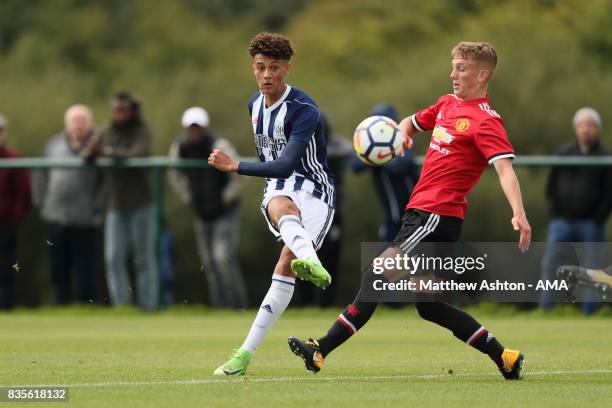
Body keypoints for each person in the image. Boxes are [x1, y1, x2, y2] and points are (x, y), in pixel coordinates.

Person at [288, 42, 532, 381]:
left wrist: (518, 212)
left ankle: (321, 349)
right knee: (429, 305)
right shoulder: (447, 105)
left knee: (375, 277)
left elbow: (505, 169)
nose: (453, 73)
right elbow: (412, 121)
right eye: (453, 66)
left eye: (461, 68)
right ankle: (504, 355)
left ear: (483, 74)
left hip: (433, 216)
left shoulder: (485, 121)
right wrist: (401, 133)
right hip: (431, 218)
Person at [208, 32, 335, 375]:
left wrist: (234, 166)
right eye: (260, 67)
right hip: (279, 188)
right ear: (253, 69)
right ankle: (244, 355)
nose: (267, 75)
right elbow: (278, 175)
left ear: (287, 69)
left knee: (283, 264)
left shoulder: (305, 110)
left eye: (274, 68)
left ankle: (306, 259)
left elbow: (286, 164)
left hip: (315, 191)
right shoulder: (254, 105)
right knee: (280, 206)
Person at [83, 92, 158, 311]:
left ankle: (147, 306)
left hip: (141, 202)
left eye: (123, 110)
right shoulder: (106, 129)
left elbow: (139, 153)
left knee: (144, 258)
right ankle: (121, 306)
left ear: (132, 111)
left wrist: (106, 152)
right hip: (115, 204)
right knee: (113, 257)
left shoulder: (141, 131)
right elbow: (89, 152)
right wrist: (92, 152)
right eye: (116, 110)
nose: (119, 114)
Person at [168, 106, 248, 309]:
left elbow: (238, 174)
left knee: (223, 258)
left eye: (197, 127)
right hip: (202, 211)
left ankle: (238, 306)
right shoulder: (181, 147)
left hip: (224, 211)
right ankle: (220, 307)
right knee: (209, 262)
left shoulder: (218, 144)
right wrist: (188, 196)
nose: (194, 131)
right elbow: (174, 174)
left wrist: (226, 197)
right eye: (190, 127)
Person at [540, 107, 611, 315]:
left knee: (593, 271)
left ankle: (590, 313)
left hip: (592, 223)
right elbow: (551, 186)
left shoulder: (606, 156)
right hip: (562, 221)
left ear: (597, 129)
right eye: (582, 125)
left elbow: (609, 192)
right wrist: (555, 213)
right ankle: (545, 311)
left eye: (590, 125)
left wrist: (599, 218)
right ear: (576, 128)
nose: (585, 129)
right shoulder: (563, 153)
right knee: (550, 263)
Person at [33, 105, 105, 304]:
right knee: (58, 270)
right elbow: (40, 176)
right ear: (67, 123)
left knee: (86, 271)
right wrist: (42, 204)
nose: (78, 125)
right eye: (74, 120)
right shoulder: (53, 145)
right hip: (56, 218)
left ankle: (86, 308)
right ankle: (60, 307)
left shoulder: (98, 147)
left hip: (86, 221)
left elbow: (105, 183)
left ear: (90, 123)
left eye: (82, 120)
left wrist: (97, 209)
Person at [295, 112, 352, 307]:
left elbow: (347, 149)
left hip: (334, 212)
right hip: (305, 211)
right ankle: (306, 303)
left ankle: (327, 303)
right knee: (304, 256)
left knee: (331, 258)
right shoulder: (302, 146)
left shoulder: (334, 146)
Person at [350, 104, 419, 242]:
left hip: (416, 219)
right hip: (393, 221)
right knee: (384, 262)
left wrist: (381, 154)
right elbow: (355, 166)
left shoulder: (404, 142)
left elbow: (399, 166)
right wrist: (372, 153)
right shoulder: (371, 149)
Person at [0, 114, 32, 310]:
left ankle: (5, 305)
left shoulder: (14, 158)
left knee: (7, 265)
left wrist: (14, 217)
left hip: (6, 223)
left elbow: (24, 193)